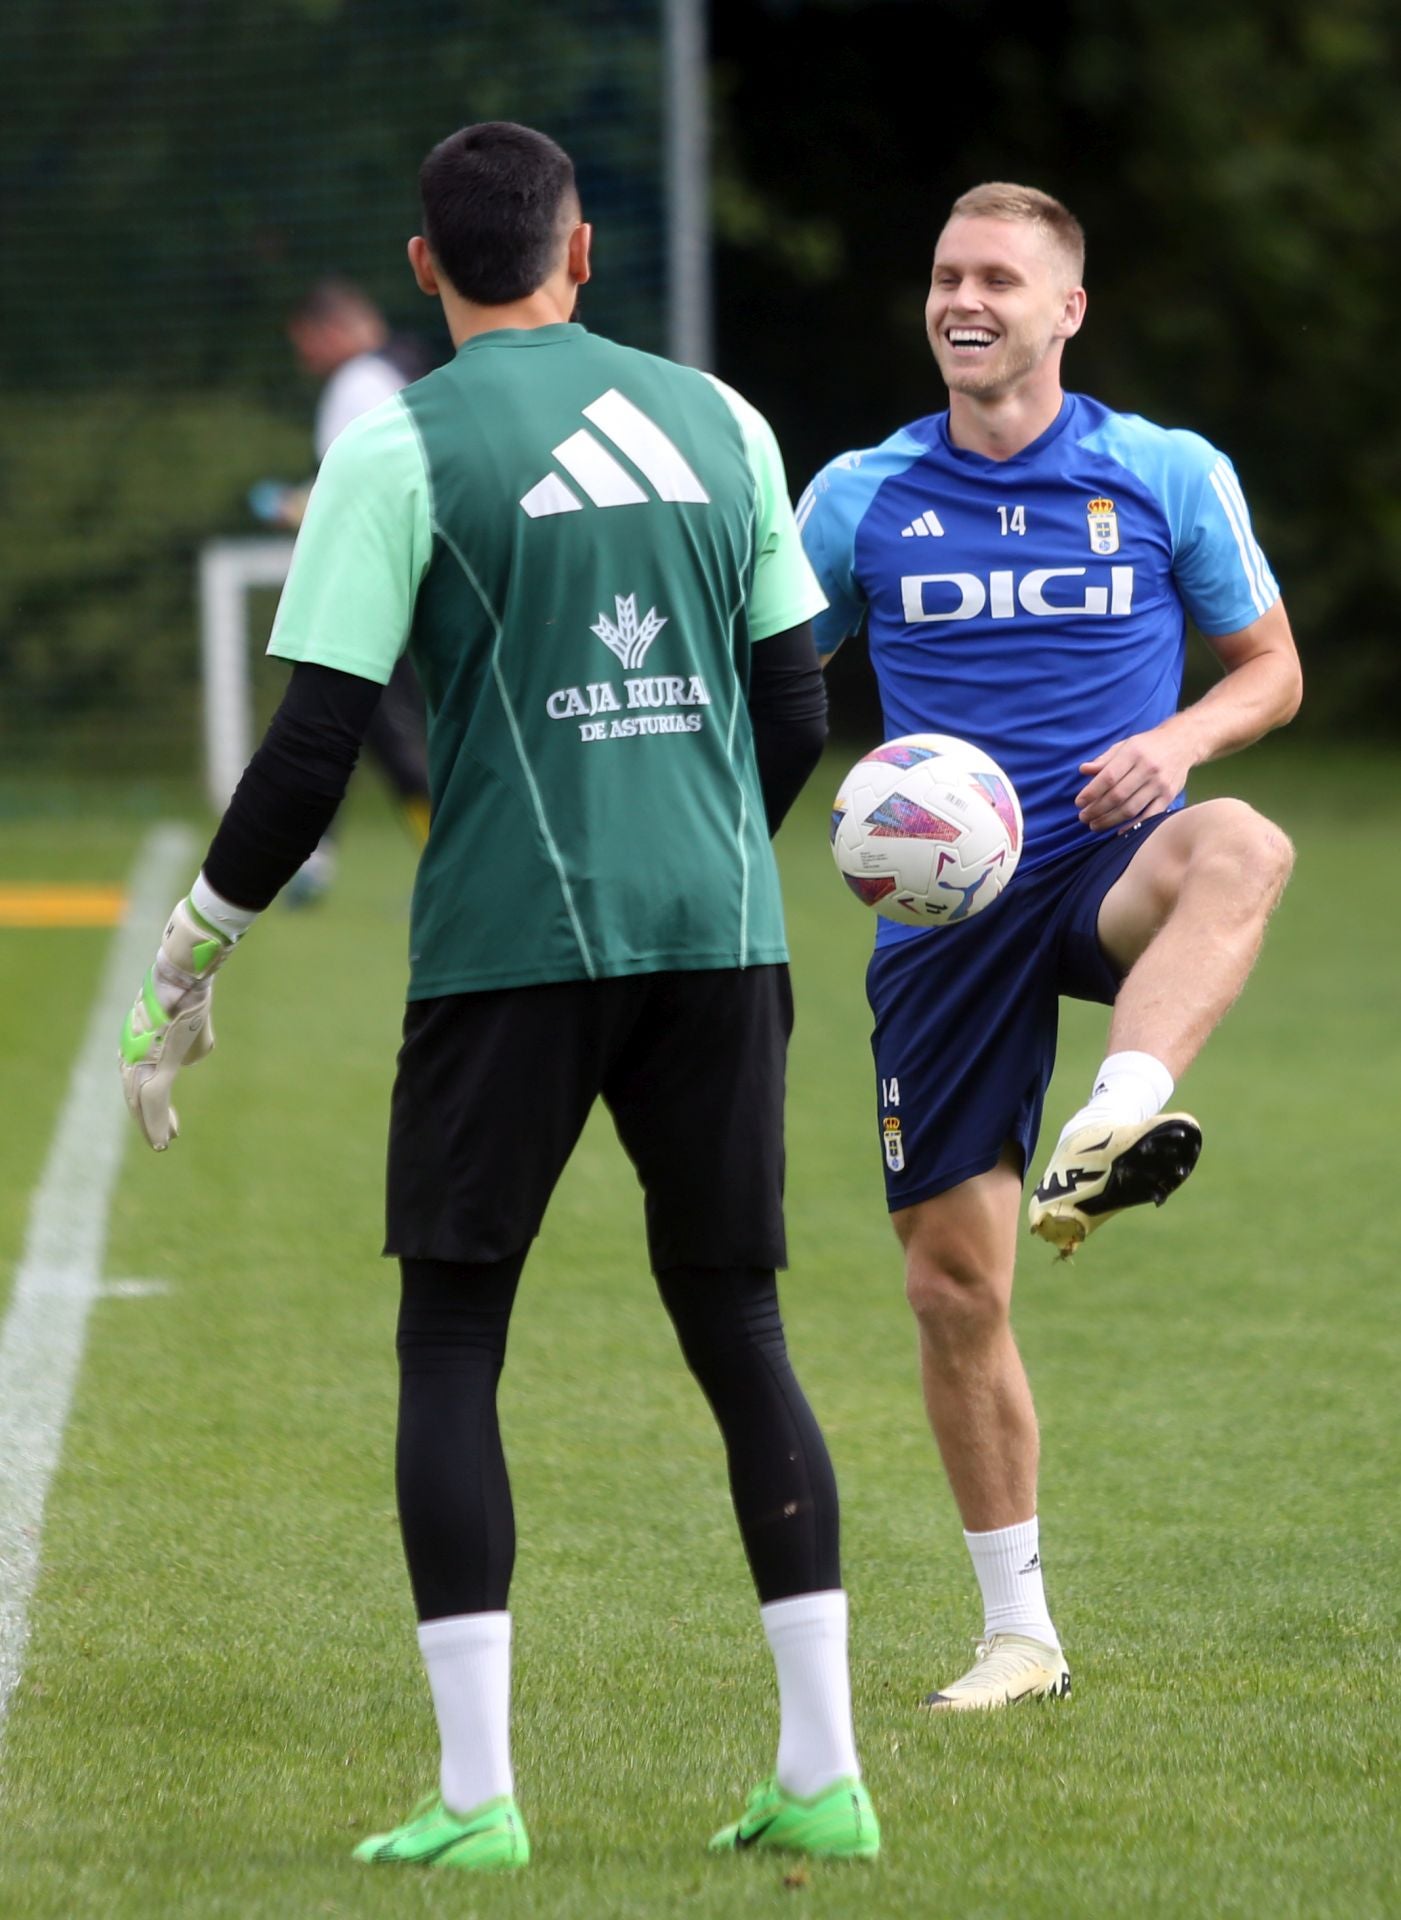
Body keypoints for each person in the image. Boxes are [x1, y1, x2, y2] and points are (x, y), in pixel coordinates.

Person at [119, 121, 879, 1870]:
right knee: (741, 1329)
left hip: (511, 946)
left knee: (456, 1338)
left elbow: (316, 741)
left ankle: (477, 1803)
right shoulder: (728, 420)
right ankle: (824, 1779)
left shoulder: (398, 444)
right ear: (584, 251)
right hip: (722, 936)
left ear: (421, 270)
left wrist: (196, 947)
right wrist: (698, 851)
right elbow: (796, 704)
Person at [797, 182, 1301, 1711]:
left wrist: (1177, 736)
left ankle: (1118, 1106)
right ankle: (1019, 1632)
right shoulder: (857, 498)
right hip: (945, 914)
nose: (965, 298)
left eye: (999, 278)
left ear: (1064, 309)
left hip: (1103, 857)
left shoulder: (1160, 473)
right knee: (957, 1290)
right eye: (946, 273)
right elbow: (773, 691)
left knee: (1248, 842)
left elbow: (1270, 671)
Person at [250, 279, 434, 895]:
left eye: (305, 344)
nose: (304, 359)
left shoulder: (356, 384)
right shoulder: (407, 366)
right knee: (350, 724)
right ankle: (313, 857)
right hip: (423, 576)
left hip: (382, 586)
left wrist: (290, 506)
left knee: (367, 727)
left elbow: (355, 495)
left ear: (329, 331)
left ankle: (455, 859)